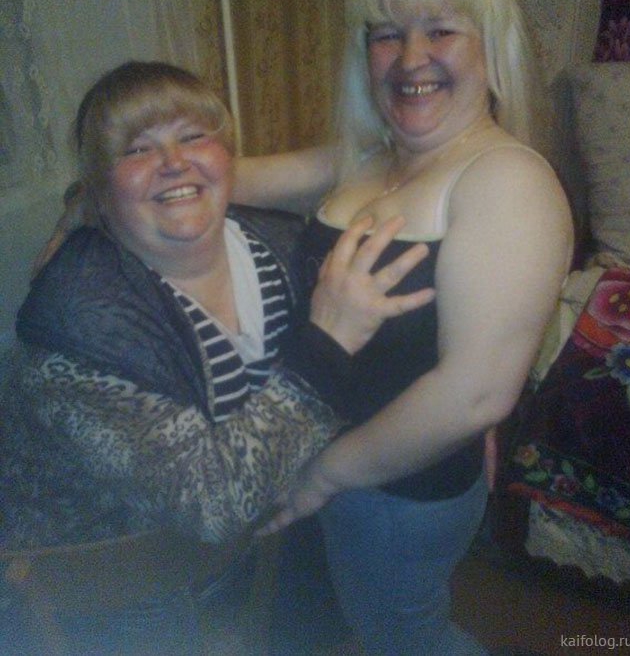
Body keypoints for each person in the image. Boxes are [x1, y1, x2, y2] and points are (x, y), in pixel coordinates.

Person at [0, 61, 434, 654]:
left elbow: (380, 333)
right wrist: (327, 343)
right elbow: (213, 504)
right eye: (137, 149)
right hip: (103, 587)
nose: (174, 161)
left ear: (229, 159)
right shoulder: (75, 318)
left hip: (256, 543)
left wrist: (469, 390)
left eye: (193, 136)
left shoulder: (278, 242)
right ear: (100, 191)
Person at [233, 0, 574, 655]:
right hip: (340, 462)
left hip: (393, 487)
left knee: (407, 638)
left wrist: (323, 476)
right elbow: (227, 179)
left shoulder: (506, 180)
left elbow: (476, 394)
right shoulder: (371, 158)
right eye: (386, 35)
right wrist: (104, 191)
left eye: (440, 30)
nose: (410, 57)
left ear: (491, 48)